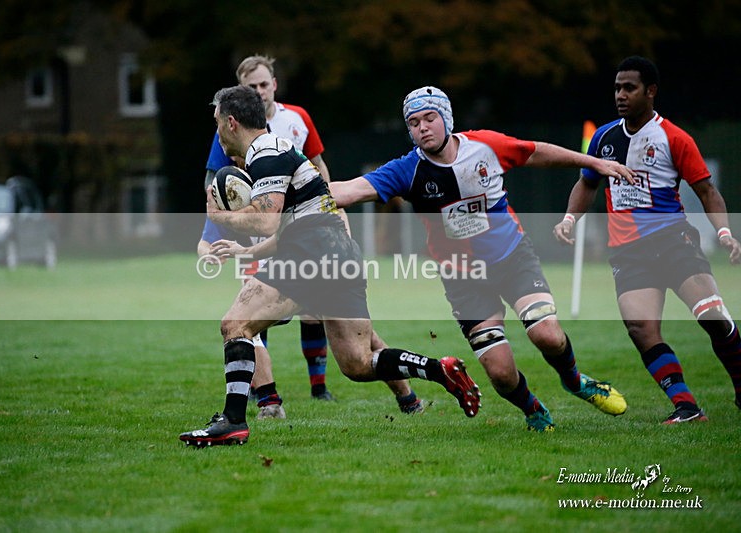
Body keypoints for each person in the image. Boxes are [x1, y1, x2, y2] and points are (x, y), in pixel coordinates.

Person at [179, 85, 481, 447]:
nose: (216, 134)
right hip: (338, 251)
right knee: (357, 363)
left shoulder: (266, 151)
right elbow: (292, 223)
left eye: (216, 125)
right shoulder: (279, 152)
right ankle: (439, 369)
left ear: (231, 123)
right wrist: (246, 253)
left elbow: (266, 220)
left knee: (235, 325)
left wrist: (218, 215)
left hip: (311, 253)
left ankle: (232, 422)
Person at [330, 86, 632, 432]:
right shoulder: (407, 170)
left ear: (446, 119)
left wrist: (593, 162)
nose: (423, 127)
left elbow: (534, 152)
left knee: (547, 334)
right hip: (464, 280)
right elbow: (350, 190)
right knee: (501, 374)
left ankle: (575, 381)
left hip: (511, 258)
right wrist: (299, 190)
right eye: (414, 123)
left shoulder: (484, 146)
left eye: (430, 118)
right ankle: (532, 408)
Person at [199, 55, 424, 415]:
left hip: (303, 244)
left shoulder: (283, 133)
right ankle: (426, 376)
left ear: (273, 84)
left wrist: (219, 218)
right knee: (350, 353)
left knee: (241, 322)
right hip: (300, 238)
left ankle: (246, 413)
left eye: (262, 84)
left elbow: (304, 182)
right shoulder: (242, 138)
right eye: (251, 86)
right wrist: (227, 240)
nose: (259, 91)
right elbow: (227, 183)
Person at [554, 56, 741, 424]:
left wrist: (725, 234)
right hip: (629, 252)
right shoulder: (604, 138)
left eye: (629, 88)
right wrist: (568, 220)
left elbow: (707, 191)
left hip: (674, 242)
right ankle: (686, 406)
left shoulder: (674, 137)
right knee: (641, 328)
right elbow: (586, 183)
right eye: (616, 88)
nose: (620, 95)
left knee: (712, 316)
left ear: (650, 91)